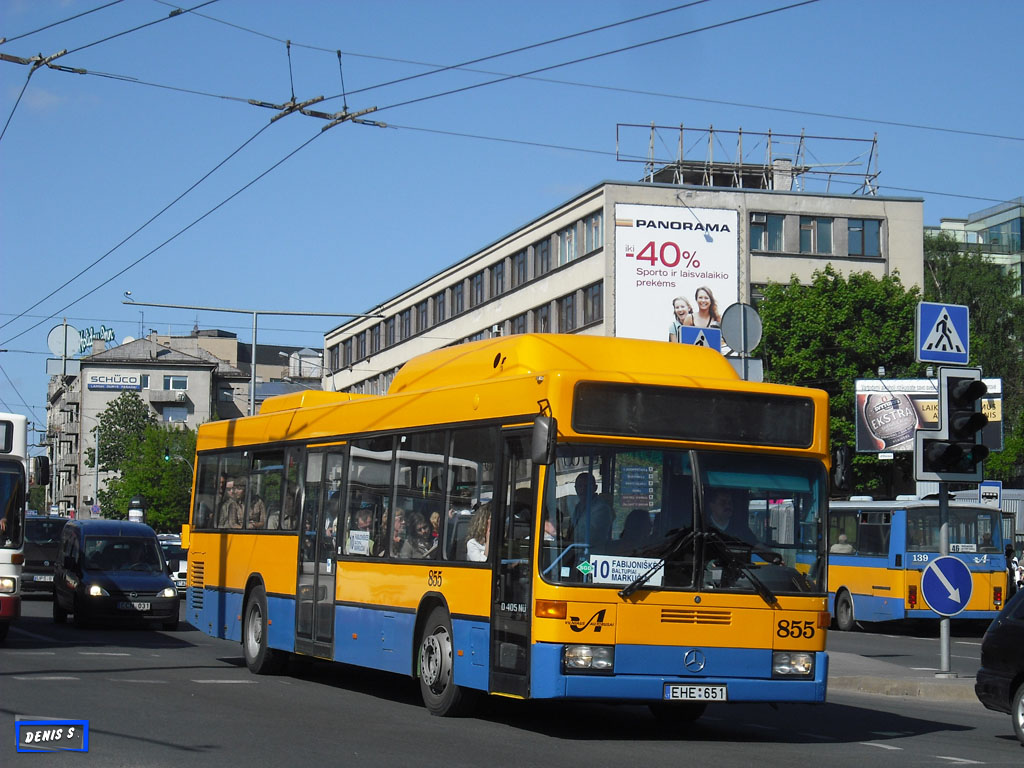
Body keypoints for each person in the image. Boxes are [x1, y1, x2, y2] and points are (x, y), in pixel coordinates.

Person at [571, 472, 613, 544]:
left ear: (595, 488)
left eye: (586, 486)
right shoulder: (578, 507)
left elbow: (591, 536)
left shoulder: (601, 508)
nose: (583, 489)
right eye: (579, 486)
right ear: (575, 488)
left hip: (593, 551)